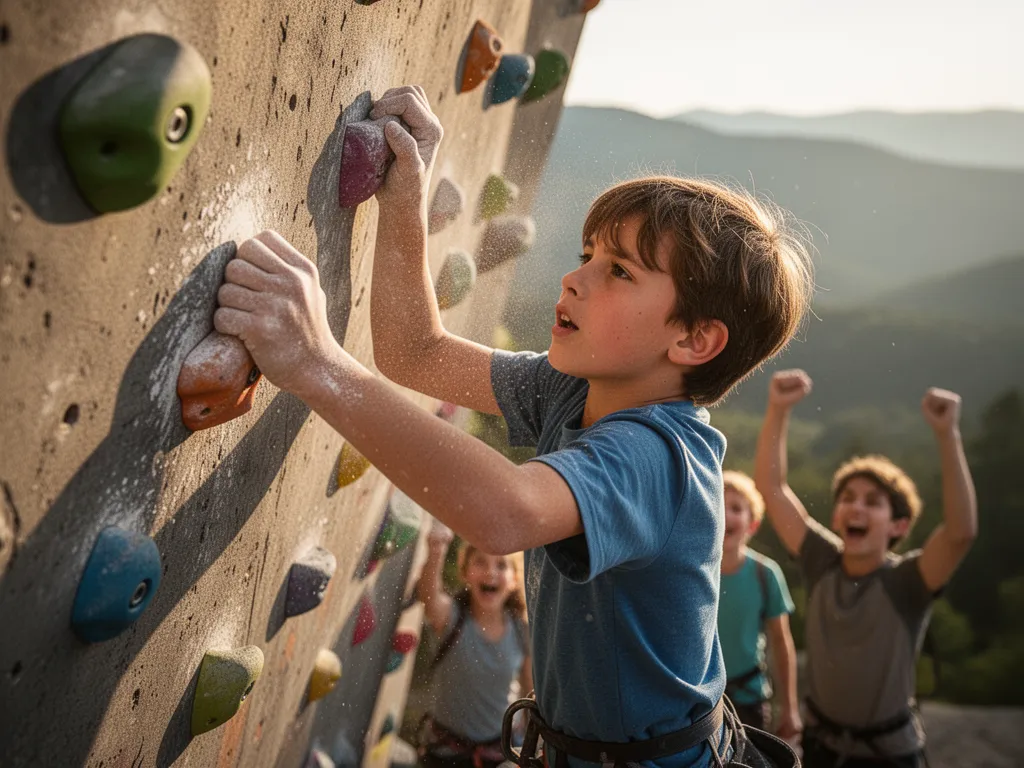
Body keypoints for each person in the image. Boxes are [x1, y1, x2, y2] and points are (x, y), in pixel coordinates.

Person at [213, 85, 814, 767]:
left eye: (616, 270)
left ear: (694, 341)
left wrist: (316, 362)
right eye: (587, 253)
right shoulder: (577, 391)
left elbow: (505, 513)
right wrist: (406, 195)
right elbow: (415, 351)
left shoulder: (662, 457)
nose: (573, 278)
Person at [754, 370, 978, 768]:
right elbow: (771, 488)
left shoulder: (908, 582)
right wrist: (778, 409)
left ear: (899, 526)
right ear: (836, 515)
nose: (856, 506)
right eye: (848, 498)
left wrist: (948, 435)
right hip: (821, 747)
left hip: (890, 755)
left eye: (873, 501)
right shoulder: (821, 559)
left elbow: (960, 533)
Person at [415, 519, 532, 768]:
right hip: (445, 753)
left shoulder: (522, 632)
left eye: (501, 565)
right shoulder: (452, 619)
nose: (490, 572)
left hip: (500, 752)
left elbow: (531, 693)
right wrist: (436, 549)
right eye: (480, 562)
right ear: (466, 572)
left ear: (513, 580)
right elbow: (429, 596)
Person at [717, 471, 801, 741]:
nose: (726, 514)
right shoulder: (691, 572)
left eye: (736, 508)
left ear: (752, 524)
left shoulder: (766, 574)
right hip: (700, 701)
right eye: (719, 504)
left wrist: (789, 708)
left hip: (749, 698)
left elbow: (781, 641)